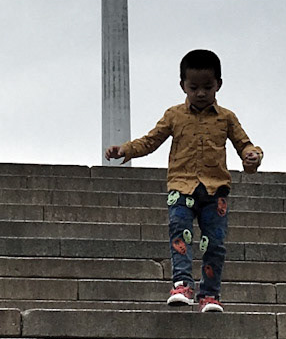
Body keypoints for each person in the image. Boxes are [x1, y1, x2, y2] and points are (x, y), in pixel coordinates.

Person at [105, 48, 263, 312]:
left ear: (219, 85)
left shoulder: (226, 118)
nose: (200, 93)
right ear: (183, 86)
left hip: (215, 190)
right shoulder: (174, 115)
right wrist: (125, 149)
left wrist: (253, 156)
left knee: (215, 242)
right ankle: (182, 284)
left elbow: (244, 144)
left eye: (207, 87)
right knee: (179, 231)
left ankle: (210, 294)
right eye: (194, 87)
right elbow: (151, 140)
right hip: (181, 187)